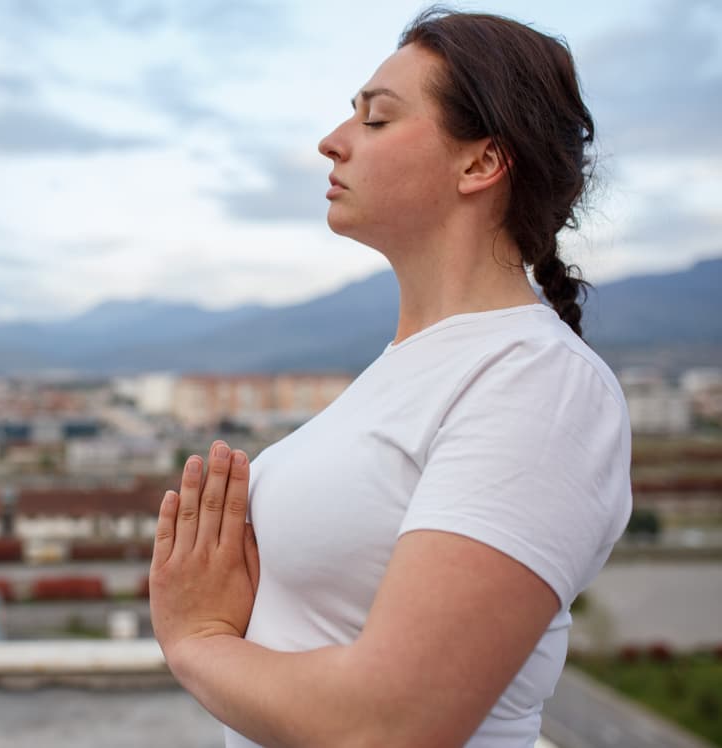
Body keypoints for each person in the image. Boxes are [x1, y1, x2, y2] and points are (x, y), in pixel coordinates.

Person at [149, 8, 632, 748]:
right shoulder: (408, 369)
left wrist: (198, 640)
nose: (332, 142)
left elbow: (393, 724)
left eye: (376, 120)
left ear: (480, 164)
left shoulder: (540, 383)